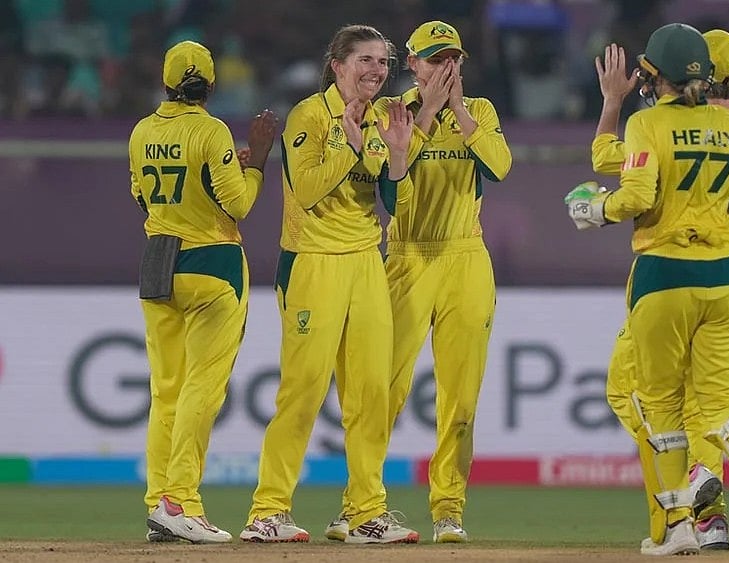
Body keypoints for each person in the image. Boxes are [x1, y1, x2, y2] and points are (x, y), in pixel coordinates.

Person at [565, 23, 729, 555]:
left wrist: (593, 209)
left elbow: (626, 184)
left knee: (658, 404)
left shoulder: (648, 123)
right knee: (723, 403)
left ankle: (681, 520)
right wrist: (712, 207)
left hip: (666, 273)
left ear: (658, 74)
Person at [240, 24, 419, 544]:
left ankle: (366, 514)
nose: (376, 71)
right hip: (312, 262)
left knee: (370, 394)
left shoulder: (385, 117)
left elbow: (396, 204)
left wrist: (398, 157)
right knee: (303, 391)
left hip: (366, 263)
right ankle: (268, 511)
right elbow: (309, 189)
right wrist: (350, 145)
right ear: (337, 66)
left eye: (383, 62)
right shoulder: (310, 116)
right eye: (365, 60)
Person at [364, 20, 511, 544]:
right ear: (413, 64)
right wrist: (426, 113)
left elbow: (500, 167)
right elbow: (389, 190)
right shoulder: (390, 112)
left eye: (453, 58)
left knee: (461, 398)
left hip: (466, 258)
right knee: (384, 387)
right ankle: (363, 503)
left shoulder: (481, 112)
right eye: (435, 59)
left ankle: (448, 509)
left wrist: (460, 111)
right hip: (408, 257)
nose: (446, 67)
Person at [132, 40, 277, 544]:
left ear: (166, 82)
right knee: (201, 388)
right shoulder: (211, 130)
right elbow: (239, 205)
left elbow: (142, 196)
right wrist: (257, 162)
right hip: (212, 263)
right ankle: (181, 502)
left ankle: (159, 503)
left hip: (159, 260)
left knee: (165, 391)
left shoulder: (142, 131)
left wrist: (220, 173)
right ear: (211, 86)